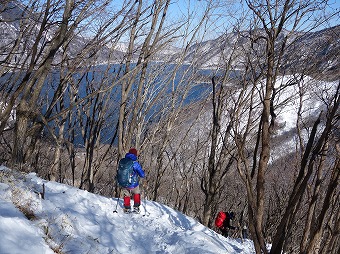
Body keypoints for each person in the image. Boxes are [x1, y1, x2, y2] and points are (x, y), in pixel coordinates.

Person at [120, 148, 145, 213]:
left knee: (126, 195)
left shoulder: (123, 161)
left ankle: (127, 208)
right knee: (136, 193)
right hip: (133, 183)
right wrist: (143, 174)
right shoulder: (135, 163)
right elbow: (142, 174)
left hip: (124, 182)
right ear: (135, 155)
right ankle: (136, 207)